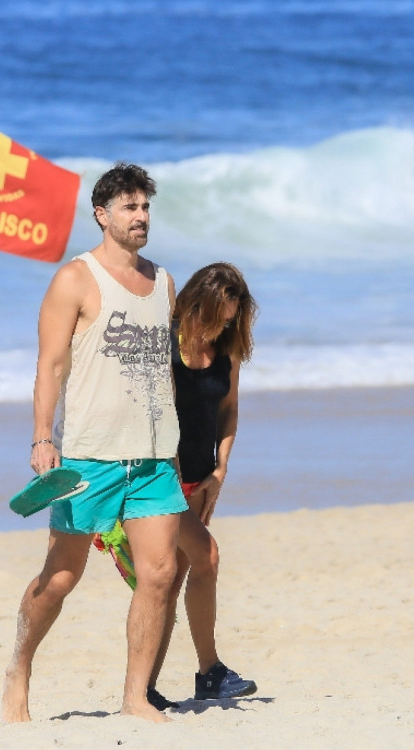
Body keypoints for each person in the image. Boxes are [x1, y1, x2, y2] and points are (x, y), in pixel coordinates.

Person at [2, 163, 187, 724]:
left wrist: (176, 445)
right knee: (61, 577)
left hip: (153, 457)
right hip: (89, 456)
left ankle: (135, 696)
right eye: (130, 207)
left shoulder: (164, 281)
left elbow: (164, 372)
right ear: (102, 215)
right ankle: (19, 667)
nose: (141, 216)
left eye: (146, 207)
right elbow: (51, 364)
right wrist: (42, 436)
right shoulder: (75, 279)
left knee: (159, 575)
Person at [145, 262, 259, 711]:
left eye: (232, 319)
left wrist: (221, 469)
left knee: (171, 579)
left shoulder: (226, 351)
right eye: (219, 317)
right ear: (199, 304)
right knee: (203, 558)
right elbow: (153, 410)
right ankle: (209, 671)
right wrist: (170, 473)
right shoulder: (166, 343)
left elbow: (229, 410)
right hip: (161, 476)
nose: (224, 327)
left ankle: (146, 687)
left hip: (200, 477)